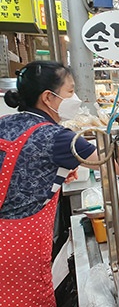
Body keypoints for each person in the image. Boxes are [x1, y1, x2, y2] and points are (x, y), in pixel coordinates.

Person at [0, 61, 101, 306]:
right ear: (48, 97)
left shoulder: (6, 122)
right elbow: (111, 161)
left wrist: (48, 174)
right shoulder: (57, 137)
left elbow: (20, 167)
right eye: (70, 91)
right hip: (20, 246)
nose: (75, 98)